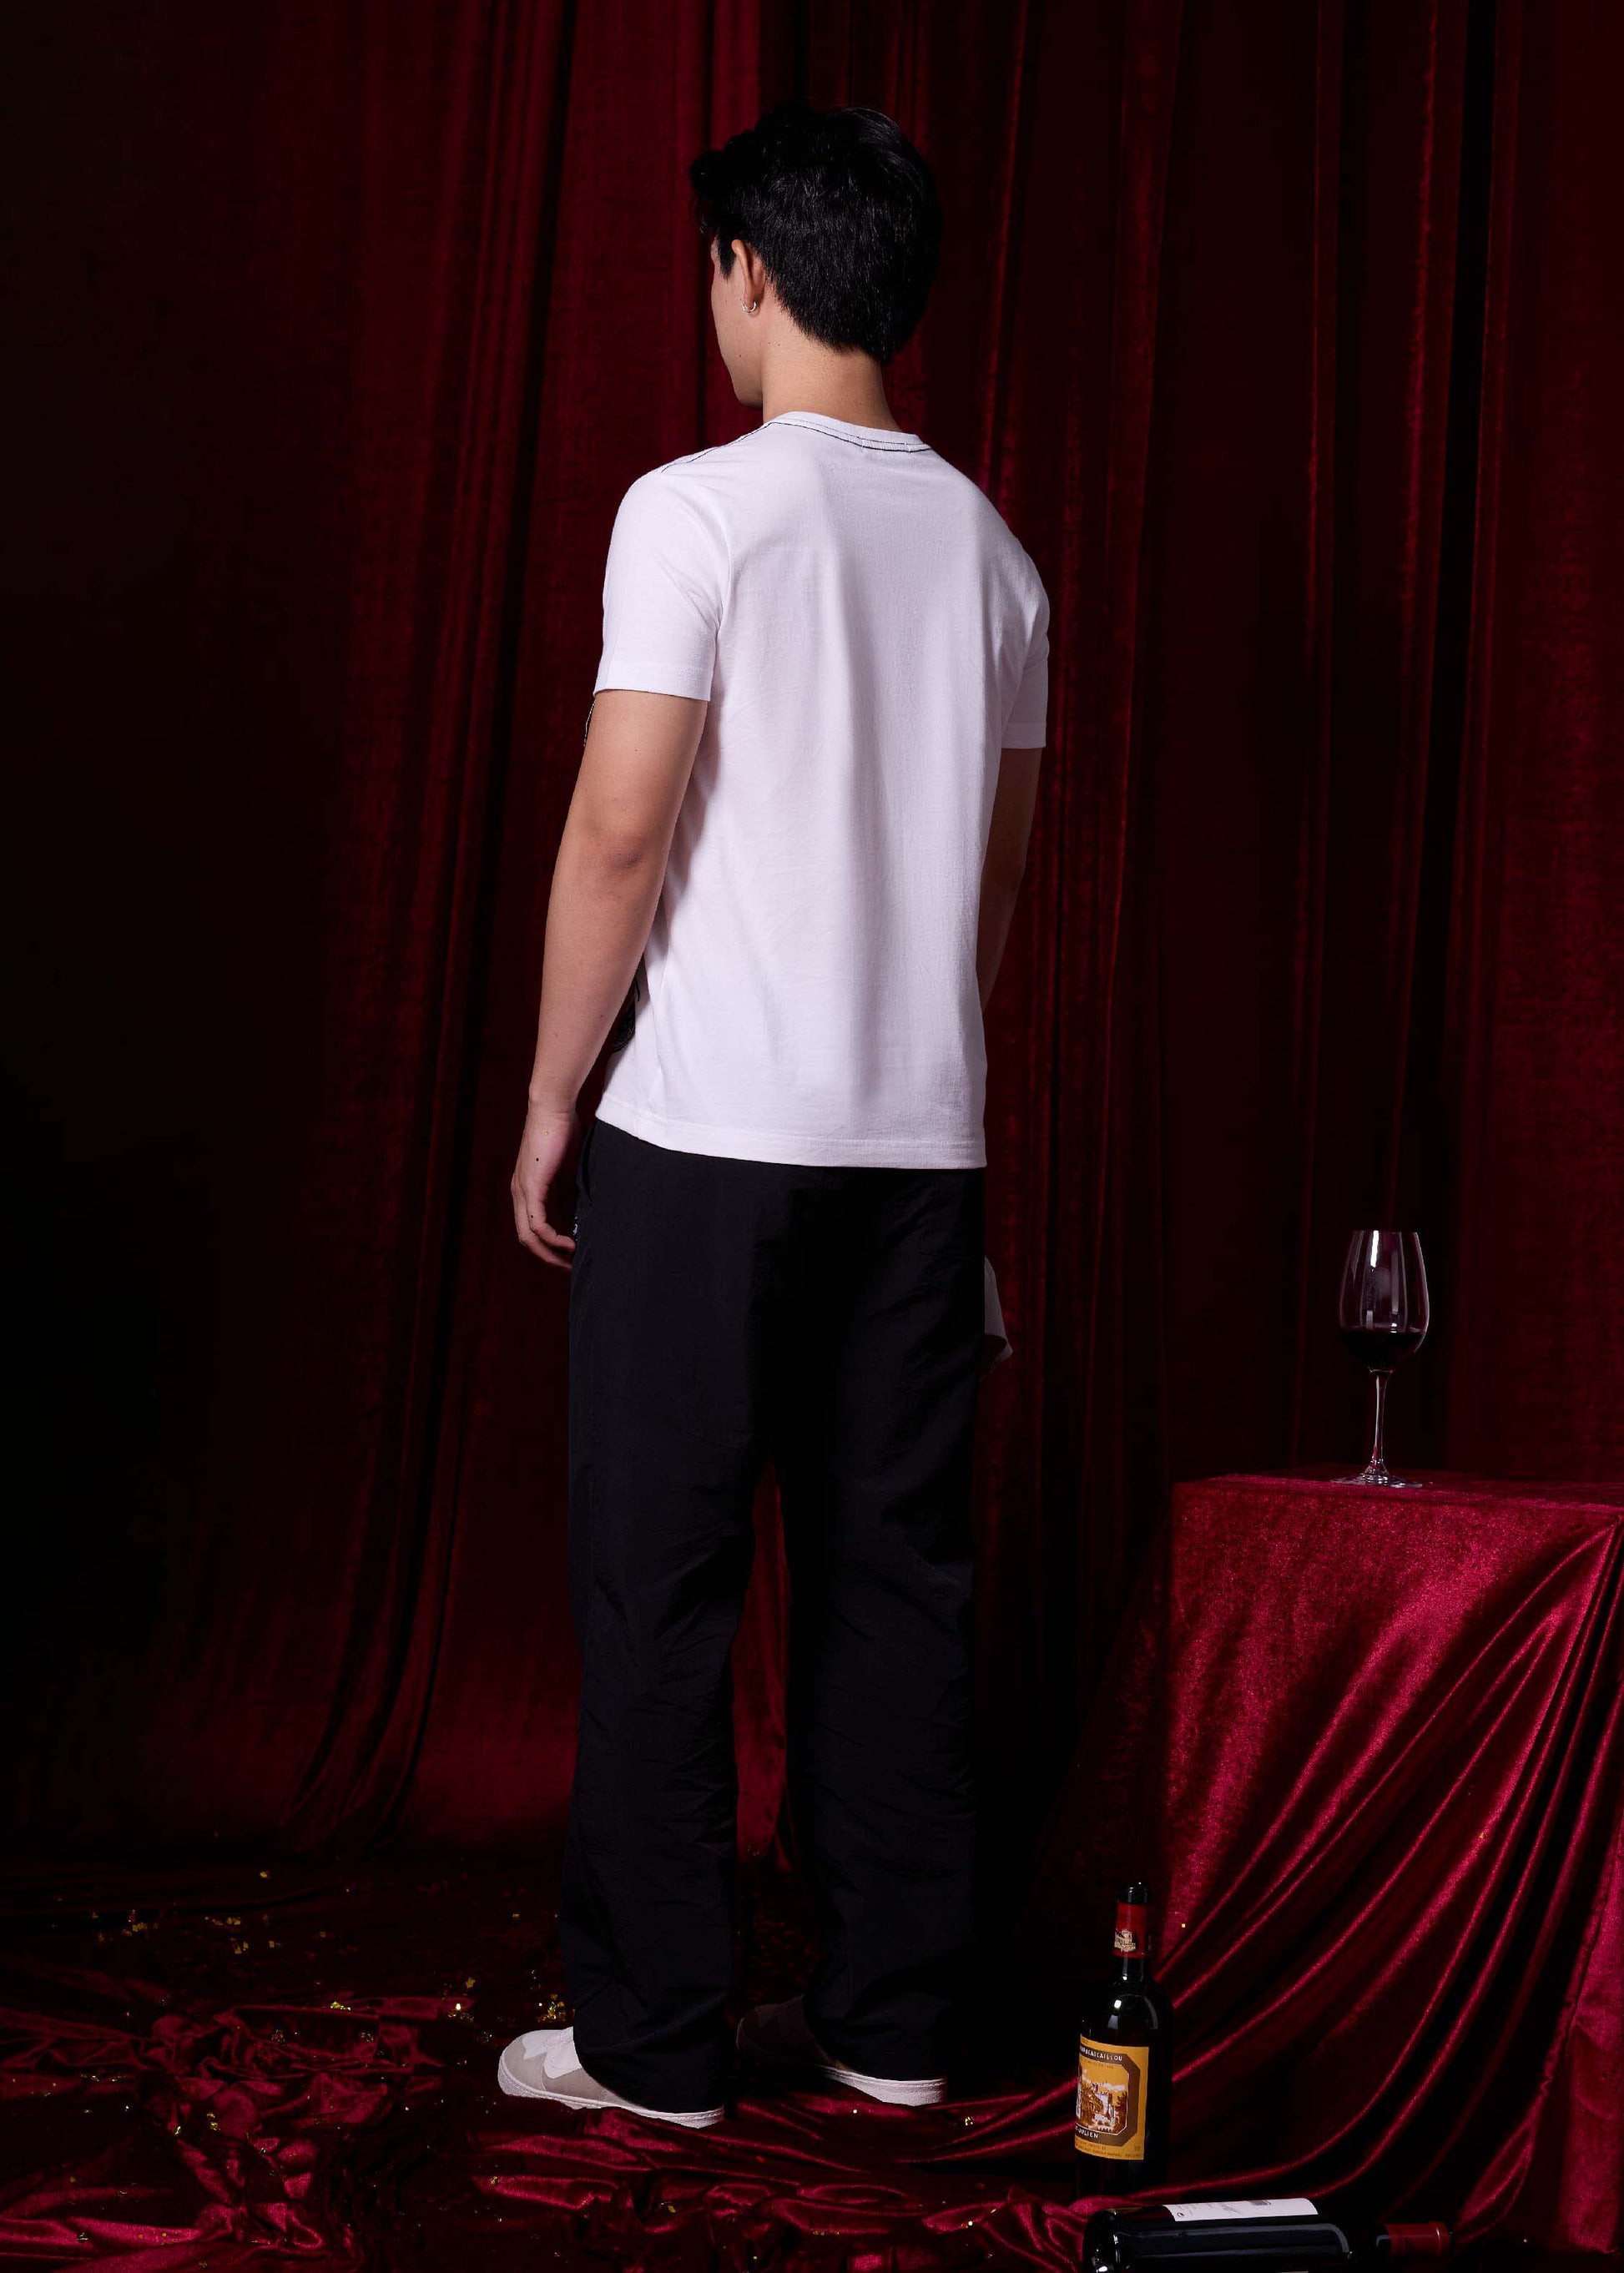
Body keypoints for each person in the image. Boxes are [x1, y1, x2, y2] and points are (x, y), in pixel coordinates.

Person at [497, 100, 1048, 2129]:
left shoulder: (697, 511)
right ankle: (892, 2027)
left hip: (709, 1132)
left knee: (660, 1582)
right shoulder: (995, 556)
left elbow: (617, 828)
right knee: (898, 1581)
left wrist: (551, 1095)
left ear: (746, 271)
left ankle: (653, 2047)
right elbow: (986, 893)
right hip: (918, 1147)